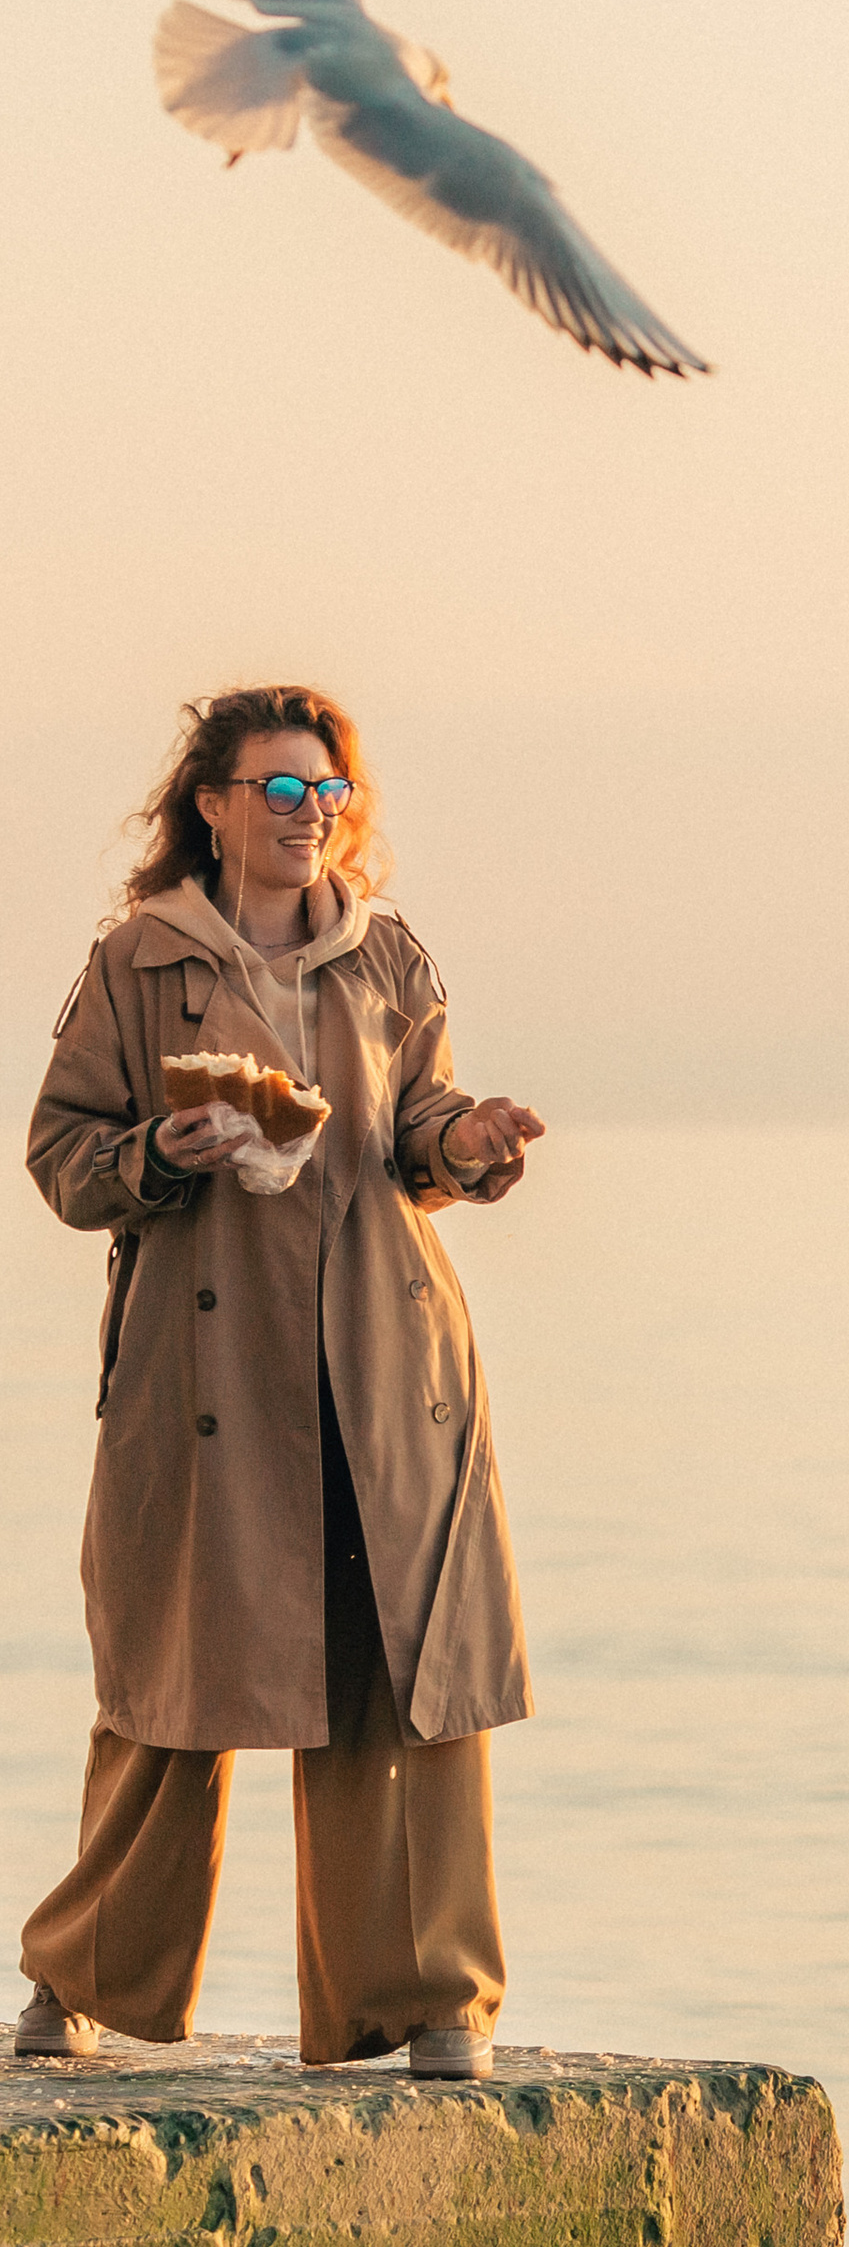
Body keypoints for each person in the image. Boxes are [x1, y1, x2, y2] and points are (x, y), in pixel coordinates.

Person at [16, 684, 545, 2080]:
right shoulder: (136, 962)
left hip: (379, 1368)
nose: (310, 816)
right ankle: (79, 1983)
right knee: (173, 1686)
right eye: (280, 790)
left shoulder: (388, 961)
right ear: (215, 806)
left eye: (329, 793)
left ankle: (434, 2002)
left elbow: (418, 1126)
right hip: (204, 1377)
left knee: (403, 1683)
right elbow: (63, 1155)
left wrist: (474, 1143)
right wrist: (158, 1156)